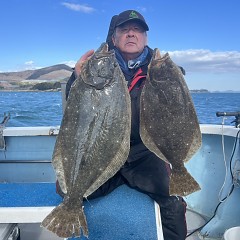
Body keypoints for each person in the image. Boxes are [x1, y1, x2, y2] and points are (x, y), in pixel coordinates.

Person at [60, 10, 187, 240]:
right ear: (114, 38)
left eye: (137, 29)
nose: (131, 33)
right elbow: (76, 109)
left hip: (143, 153)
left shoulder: (159, 69)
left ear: (145, 37)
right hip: (103, 149)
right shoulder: (98, 66)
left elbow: (177, 110)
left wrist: (174, 78)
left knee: (173, 199)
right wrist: (76, 79)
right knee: (67, 189)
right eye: (124, 30)